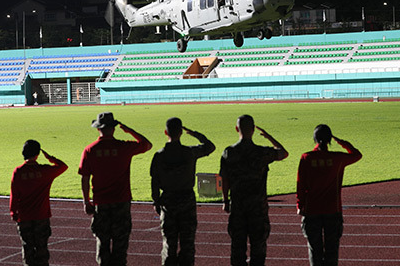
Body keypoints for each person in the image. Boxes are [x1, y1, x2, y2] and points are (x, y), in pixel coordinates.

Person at [79, 112, 153, 266]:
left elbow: (84, 178)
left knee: (102, 245)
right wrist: (130, 130)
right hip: (122, 203)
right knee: (120, 247)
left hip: (101, 204)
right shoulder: (124, 147)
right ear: (113, 128)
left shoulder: (89, 150)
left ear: (98, 129)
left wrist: (86, 201)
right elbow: (147, 144)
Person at [219, 114, 288, 266]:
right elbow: (283, 153)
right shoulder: (262, 152)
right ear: (252, 129)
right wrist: (269, 137)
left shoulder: (229, 153)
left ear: (237, 129)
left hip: (238, 207)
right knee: (258, 251)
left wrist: (225, 200)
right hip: (258, 208)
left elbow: (225, 179)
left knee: (238, 251)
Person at [150, 117, 216, 265]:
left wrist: (156, 201)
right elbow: (210, 146)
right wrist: (194, 134)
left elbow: (154, 181)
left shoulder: (159, 156)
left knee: (169, 244)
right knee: (187, 244)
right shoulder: (189, 152)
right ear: (181, 132)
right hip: (187, 201)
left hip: (168, 201)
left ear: (166, 132)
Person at [296, 124, 362, 266]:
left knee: (315, 250)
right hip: (333, 210)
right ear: (329, 139)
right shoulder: (338, 158)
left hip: (311, 210)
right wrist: (341, 142)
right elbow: (357, 155)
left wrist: (299, 205)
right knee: (332, 251)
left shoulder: (306, 158)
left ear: (315, 139)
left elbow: (300, 184)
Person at [10, 140, 68, 266]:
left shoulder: (18, 172)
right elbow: (63, 166)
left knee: (28, 248)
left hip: (24, 216)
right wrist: (50, 158)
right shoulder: (45, 171)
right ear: (37, 154)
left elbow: (14, 194)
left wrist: (13, 212)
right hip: (41, 215)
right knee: (42, 249)